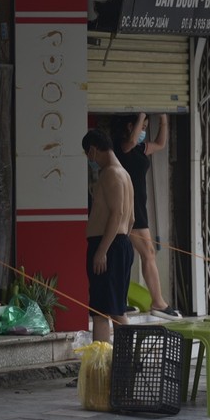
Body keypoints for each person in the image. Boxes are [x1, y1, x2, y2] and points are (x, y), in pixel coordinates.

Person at [112, 113, 183, 321]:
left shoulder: (141, 149)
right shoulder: (121, 147)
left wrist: (163, 119)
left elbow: (160, 143)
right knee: (148, 252)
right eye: (142, 126)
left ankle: (121, 300)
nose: (144, 131)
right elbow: (132, 141)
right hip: (128, 209)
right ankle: (158, 302)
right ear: (130, 126)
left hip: (138, 208)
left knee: (130, 256)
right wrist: (141, 112)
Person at [82, 129, 135, 342]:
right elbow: (130, 219)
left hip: (108, 246)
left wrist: (103, 250)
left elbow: (118, 213)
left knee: (102, 312)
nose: (89, 159)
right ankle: (124, 362)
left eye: (87, 154)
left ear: (93, 150)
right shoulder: (125, 174)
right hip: (119, 243)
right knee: (113, 309)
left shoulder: (110, 173)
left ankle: (103, 366)